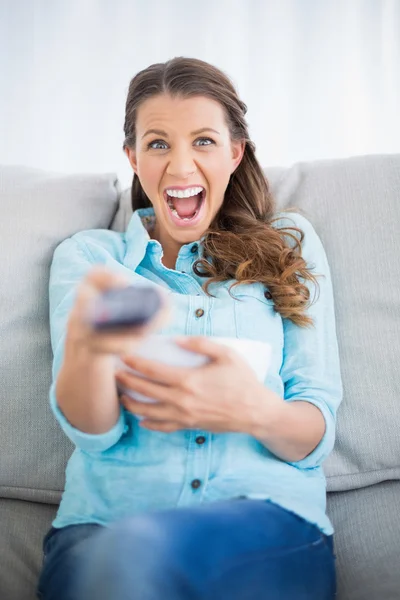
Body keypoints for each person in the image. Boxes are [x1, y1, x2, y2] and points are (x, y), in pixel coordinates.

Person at [37, 57, 342, 600]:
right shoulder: (90, 260)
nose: (180, 168)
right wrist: (89, 349)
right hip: (106, 526)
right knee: (128, 558)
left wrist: (253, 410)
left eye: (203, 141)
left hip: (264, 527)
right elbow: (93, 431)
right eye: (157, 144)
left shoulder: (288, 241)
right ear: (133, 158)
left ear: (234, 152)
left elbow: (315, 431)